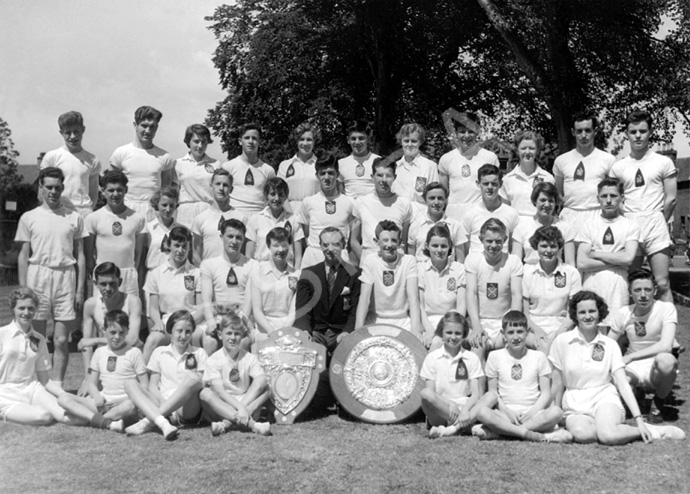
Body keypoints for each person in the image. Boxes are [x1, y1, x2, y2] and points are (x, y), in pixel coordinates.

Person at [548, 291, 685, 444]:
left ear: (600, 313)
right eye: (582, 312)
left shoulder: (610, 345)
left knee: (608, 436)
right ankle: (604, 425)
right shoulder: (562, 342)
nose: (587, 316)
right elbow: (557, 383)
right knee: (583, 435)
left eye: (592, 311)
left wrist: (638, 418)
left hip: (604, 397)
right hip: (575, 401)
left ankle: (649, 430)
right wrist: (556, 414)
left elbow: (622, 384)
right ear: (575, 315)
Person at [15, 166, 87, 388]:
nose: (53, 191)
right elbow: (24, 255)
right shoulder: (29, 217)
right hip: (38, 276)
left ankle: (56, 385)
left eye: (57, 187)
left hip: (66, 277)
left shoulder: (74, 217)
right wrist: (23, 290)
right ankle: (34, 384)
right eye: (49, 187)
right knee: (34, 338)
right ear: (41, 188)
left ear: (63, 188)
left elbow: (81, 255)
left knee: (61, 340)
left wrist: (80, 289)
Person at [609, 110, 677, 303]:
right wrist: (629, 219)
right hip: (630, 227)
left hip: (656, 224)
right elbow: (615, 198)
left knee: (662, 283)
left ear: (650, 132)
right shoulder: (618, 167)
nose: (638, 136)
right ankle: (630, 332)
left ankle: (668, 331)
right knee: (629, 284)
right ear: (627, 134)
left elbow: (671, 198)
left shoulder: (663, 162)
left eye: (642, 131)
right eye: (633, 132)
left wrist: (657, 221)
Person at [472, 310, 569, 442]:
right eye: (510, 332)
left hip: (532, 413)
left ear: (527, 333)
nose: (516, 337)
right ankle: (527, 433)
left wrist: (531, 413)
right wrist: (507, 412)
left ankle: (504, 431)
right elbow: (493, 392)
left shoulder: (538, 356)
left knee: (556, 412)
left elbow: (545, 393)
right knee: (482, 412)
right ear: (503, 335)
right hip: (506, 413)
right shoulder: (495, 356)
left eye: (520, 331)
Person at [0, 288, 81, 426]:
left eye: (31, 308)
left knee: (66, 415)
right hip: (6, 395)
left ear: (36, 309)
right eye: (21, 308)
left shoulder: (39, 339)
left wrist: (64, 395)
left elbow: (45, 380)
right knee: (44, 416)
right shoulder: (2, 334)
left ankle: (108, 422)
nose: (26, 313)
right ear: (13, 309)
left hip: (32, 389)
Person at [58, 310, 147, 433]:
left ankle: (99, 420)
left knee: (130, 406)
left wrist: (126, 400)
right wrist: (97, 396)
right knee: (63, 398)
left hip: (125, 402)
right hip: (103, 402)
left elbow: (144, 384)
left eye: (122, 333)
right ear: (104, 330)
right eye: (112, 332)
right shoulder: (99, 353)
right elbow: (91, 383)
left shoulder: (134, 353)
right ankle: (110, 421)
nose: (117, 337)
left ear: (127, 331)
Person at [124, 310, 207, 440]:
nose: (183, 336)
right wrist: (165, 403)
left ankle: (147, 421)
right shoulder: (159, 352)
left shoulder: (200, 353)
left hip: (186, 409)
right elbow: (152, 386)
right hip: (161, 402)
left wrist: (169, 406)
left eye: (188, 331)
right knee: (130, 383)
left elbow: (200, 384)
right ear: (171, 331)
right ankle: (162, 422)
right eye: (179, 331)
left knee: (194, 378)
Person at [609, 269, 679, 421]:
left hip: (655, 365)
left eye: (647, 289)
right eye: (637, 290)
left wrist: (630, 357)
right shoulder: (623, 313)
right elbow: (608, 342)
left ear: (654, 291)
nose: (642, 295)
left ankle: (658, 403)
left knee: (667, 361)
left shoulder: (666, 308)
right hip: (632, 366)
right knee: (612, 376)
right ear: (630, 292)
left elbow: (666, 346)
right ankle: (635, 394)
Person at [576, 177, 640, 324]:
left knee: (617, 331)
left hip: (619, 286)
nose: (609, 200)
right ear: (598, 198)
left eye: (613, 196)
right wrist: (617, 260)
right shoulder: (588, 225)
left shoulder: (630, 226)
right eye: (604, 196)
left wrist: (596, 254)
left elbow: (628, 258)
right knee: (591, 330)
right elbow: (582, 263)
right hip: (593, 284)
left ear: (622, 198)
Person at [199, 311, 271, 436]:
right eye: (229, 333)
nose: (233, 338)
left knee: (267, 385)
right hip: (222, 404)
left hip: (246, 402)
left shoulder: (249, 357)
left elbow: (261, 381)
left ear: (242, 336)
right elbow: (220, 391)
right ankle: (253, 425)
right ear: (220, 335)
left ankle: (225, 424)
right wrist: (241, 409)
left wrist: (243, 407)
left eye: (237, 334)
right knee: (204, 393)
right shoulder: (213, 360)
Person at [78, 262, 143, 394]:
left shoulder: (132, 302)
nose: (108, 288)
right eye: (103, 284)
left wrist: (95, 341)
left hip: (127, 357)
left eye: (112, 283)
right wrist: (88, 376)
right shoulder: (90, 304)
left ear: (120, 281)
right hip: (103, 359)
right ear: (95, 283)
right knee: (86, 401)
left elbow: (132, 339)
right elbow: (86, 346)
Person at [294, 227, 361, 355]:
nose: (330, 249)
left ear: (343, 245)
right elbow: (302, 308)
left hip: (341, 333)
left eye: (335, 244)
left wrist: (347, 331)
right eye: (325, 245)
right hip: (316, 332)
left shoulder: (354, 274)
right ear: (320, 246)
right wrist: (304, 331)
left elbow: (355, 310)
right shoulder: (308, 273)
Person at [420, 312, 484, 438]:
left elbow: (476, 394)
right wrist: (449, 403)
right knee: (425, 394)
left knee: (491, 396)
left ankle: (451, 429)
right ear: (441, 333)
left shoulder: (471, 358)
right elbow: (430, 392)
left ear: (464, 334)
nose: (453, 337)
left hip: (465, 409)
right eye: (449, 332)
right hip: (441, 409)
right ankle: (468, 427)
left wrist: (465, 410)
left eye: (458, 333)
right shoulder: (432, 357)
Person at [465, 218, 523, 357]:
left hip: (503, 321)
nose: (493, 245)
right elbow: (471, 293)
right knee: (477, 348)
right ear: (481, 239)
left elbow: (516, 296)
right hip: (480, 320)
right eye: (489, 241)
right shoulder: (473, 260)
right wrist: (477, 326)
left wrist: (510, 328)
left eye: (498, 241)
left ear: (505, 239)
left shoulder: (513, 261)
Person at [142, 227, 201, 363]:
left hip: (192, 322)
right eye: (176, 245)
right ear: (169, 245)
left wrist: (188, 323)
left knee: (201, 336)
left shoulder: (196, 273)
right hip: (168, 322)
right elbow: (153, 308)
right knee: (152, 339)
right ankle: (142, 377)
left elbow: (201, 308)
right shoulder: (156, 273)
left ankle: (202, 378)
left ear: (189, 248)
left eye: (184, 246)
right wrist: (157, 322)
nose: (180, 250)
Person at [355, 221, 422, 339]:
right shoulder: (370, 260)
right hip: (375, 320)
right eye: (385, 240)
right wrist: (357, 332)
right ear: (377, 242)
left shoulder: (408, 261)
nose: (389, 245)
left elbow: (413, 298)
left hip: (402, 320)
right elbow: (364, 298)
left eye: (394, 240)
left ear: (400, 242)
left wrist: (415, 332)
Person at [84, 170, 146, 296]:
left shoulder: (138, 218)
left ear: (126, 190)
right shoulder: (93, 218)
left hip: (128, 276)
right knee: (103, 314)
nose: (115, 194)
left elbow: (138, 253)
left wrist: (132, 273)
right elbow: (88, 254)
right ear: (103, 191)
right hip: (103, 276)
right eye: (111, 190)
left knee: (128, 313)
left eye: (119, 190)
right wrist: (97, 275)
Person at [553, 111, 615, 235]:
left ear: (595, 131)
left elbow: (613, 193)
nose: (583, 135)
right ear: (573, 132)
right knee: (569, 254)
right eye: (579, 131)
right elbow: (558, 194)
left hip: (597, 215)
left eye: (588, 130)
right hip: (569, 216)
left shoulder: (608, 160)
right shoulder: (561, 160)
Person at [199, 219, 257, 352]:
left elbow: (249, 299)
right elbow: (206, 298)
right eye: (230, 236)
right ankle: (210, 373)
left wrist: (243, 322)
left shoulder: (253, 265)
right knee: (209, 341)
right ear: (221, 237)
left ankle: (237, 372)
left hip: (242, 319)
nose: (234, 241)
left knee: (242, 343)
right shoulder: (208, 264)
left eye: (239, 238)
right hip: (218, 318)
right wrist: (210, 321)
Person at [108, 106, 175, 218]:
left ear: (156, 128)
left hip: (153, 212)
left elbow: (166, 190)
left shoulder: (164, 157)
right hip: (125, 209)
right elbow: (110, 187)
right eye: (144, 126)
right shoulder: (120, 153)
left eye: (152, 127)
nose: (147, 131)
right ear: (135, 125)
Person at [522, 226, 581, 351]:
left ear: (559, 248)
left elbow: (573, 311)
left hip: (562, 326)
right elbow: (525, 314)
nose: (548, 250)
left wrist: (560, 332)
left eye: (553, 246)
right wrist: (537, 331)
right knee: (544, 346)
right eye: (543, 246)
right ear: (535, 247)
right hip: (533, 327)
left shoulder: (571, 273)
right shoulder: (527, 273)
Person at [438, 111, 500, 219]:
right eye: (462, 131)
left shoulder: (490, 158)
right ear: (456, 133)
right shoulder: (446, 159)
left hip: (481, 216)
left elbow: (495, 191)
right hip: (453, 216)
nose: (466, 136)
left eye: (470, 131)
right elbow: (443, 194)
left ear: (478, 132)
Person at [297, 154, 355, 268]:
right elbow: (304, 234)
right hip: (313, 258)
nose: (327, 177)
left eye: (331, 173)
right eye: (322, 173)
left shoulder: (350, 202)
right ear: (317, 176)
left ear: (337, 175)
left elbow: (353, 239)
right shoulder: (308, 202)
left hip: (341, 258)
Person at [39, 110, 101, 217]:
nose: (72, 136)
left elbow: (94, 195)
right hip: (58, 211)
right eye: (67, 133)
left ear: (83, 130)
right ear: (61, 133)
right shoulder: (51, 157)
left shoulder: (92, 160)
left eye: (76, 131)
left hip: (84, 213)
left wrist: (87, 212)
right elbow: (41, 193)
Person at [351, 158, 413, 263]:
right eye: (379, 175)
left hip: (395, 265)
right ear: (372, 177)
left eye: (388, 176)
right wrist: (365, 262)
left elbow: (405, 241)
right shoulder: (360, 203)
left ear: (394, 177)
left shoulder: (404, 204)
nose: (383, 180)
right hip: (369, 265)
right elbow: (353, 241)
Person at [417, 224, 466, 350]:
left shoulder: (459, 269)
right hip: (427, 322)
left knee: (437, 343)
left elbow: (461, 307)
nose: (439, 250)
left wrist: (449, 330)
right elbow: (420, 306)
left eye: (444, 246)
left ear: (450, 247)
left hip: (452, 323)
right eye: (435, 245)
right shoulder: (420, 269)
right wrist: (429, 330)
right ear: (427, 246)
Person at [249, 227, 300, 339]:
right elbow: (257, 311)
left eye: (284, 245)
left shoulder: (297, 275)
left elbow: (293, 311)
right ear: (268, 247)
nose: (280, 250)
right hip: (264, 331)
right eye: (276, 245)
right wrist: (271, 332)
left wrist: (284, 332)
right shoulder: (258, 273)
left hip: (289, 329)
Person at [191, 168, 247, 264]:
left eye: (225, 185)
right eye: (218, 184)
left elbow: (245, 252)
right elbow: (195, 254)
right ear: (211, 186)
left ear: (231, 189)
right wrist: (205, 272)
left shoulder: (241, 218)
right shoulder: (200, 219)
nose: (221, 188)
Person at [460, 164, 519, 256]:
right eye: (485, 183)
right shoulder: (469, 214)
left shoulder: (511, 213)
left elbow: (513, 246)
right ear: (478, 184)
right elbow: (465, 247)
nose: (490, 187)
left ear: (500, 184)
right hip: (476, 267)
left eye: (494, 184)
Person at [245, 177, 304, 268]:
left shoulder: (294, 220)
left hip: (287, 269)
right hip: (261, 269)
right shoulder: (255, 219)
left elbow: (298, 256)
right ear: (266, 196)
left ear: (286, 197)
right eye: (273, 194)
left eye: (281, 194)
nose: (277, 198)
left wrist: (295, 275)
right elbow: (248, 255)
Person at [511, 182, 575, 266]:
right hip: (529, 276)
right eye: (543, 200)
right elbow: (516, 262)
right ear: (535, 201)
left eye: (551, 201)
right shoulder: (522, 227)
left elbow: (570, 262)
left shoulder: (565, 227)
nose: (547, 204)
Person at [173, 123, 221, 228]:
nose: (200, 146)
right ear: (188, 142)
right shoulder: (178, 164)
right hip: (185, 211)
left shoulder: (216, 164)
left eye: (204, 142)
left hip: (208, 209)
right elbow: (174, 192)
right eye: (196, 141)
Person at [221, 122, 275, 215]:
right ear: (240, 141)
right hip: (234, 217)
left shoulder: (268, 170)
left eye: (254, 138)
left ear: (260, 142)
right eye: (246, 138)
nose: (250, 141)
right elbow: (221, 194)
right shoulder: (228, 167)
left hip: (259, 217)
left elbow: (274, 196)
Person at [500, 131, 555, 217]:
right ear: (517, 150)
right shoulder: (507, 180)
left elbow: (552, 210)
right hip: (516, 228)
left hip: (540, 228)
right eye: (523, 148)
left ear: (537, 151)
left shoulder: (548, 179)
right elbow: (504, 212)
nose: (527, 152)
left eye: (532, 148)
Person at [407, 182, 465, 262]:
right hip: (421, 273)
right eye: (432, 198)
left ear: (445, 200)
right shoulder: (415, 226)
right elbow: (411, 259)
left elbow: (460, 260)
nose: (436, 202)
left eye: (440, 198)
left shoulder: (455, 226)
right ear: (425, 200)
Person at [391, 123, 439, 212]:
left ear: (420, 142)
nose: (409, 144)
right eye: (406, 141)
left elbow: (434, 197)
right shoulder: (394, 167)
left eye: (414, 141)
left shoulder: (430, 166)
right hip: (397, 214)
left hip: (420, 216)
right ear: (401, 141)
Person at [277, 122, 321, 213]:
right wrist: (291, 215)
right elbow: (280, 192)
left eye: (309, 140)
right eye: (301, 139)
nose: (305, 143)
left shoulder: (320, 165)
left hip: (314, 213)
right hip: (289, 213)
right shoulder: (284, 165)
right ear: (297, 141)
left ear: (314, 142)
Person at [143, 187, 181, 277]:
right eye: (164, 205)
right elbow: (141, 260)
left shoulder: (181, 230)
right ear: (157, 205)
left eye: (172, 205)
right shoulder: (148, 229)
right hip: (153, 276)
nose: (168, 209)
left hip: (175, 275)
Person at [338, 120, 380, 198]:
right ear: (348, 140)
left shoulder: (379, 162)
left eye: (361, 138)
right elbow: (341, 194)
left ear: (368, 139)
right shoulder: (341, 164)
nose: (357, 142)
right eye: (353, 139)